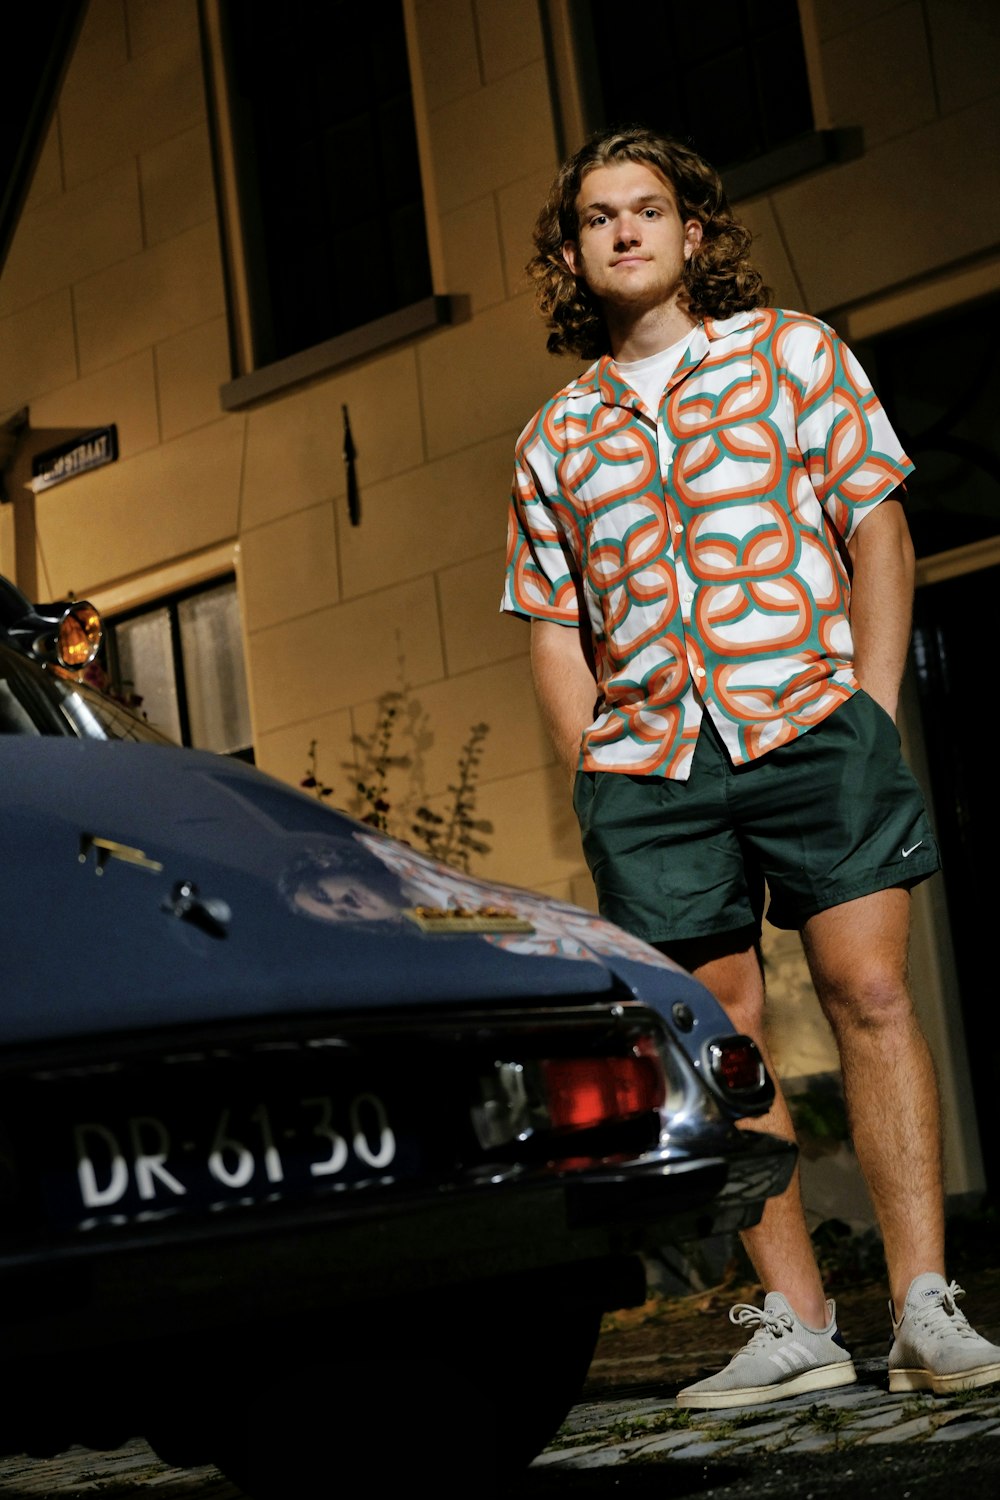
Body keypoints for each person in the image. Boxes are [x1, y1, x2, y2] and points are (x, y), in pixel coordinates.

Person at [500, 123, 1000, 1409]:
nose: (624, 231)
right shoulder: (554, 436)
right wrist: (593, 770)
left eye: (648, 209)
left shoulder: (792, 352)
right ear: (571, 251)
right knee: (721, 1032)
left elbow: (876, 525)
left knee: (869, 991)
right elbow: (555, 626)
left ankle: (924, 1308)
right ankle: (794, 1321)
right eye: (598, 216)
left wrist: (874, 706)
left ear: (693, 231)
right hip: (651, 767)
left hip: (811, 724)